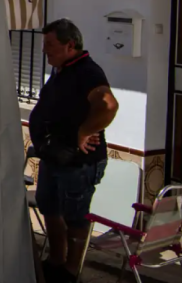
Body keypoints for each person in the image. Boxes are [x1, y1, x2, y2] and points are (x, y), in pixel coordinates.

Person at [30, 19, 119, 283]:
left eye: (50, 44)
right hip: (54, 158)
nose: (45, 49)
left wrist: (84, 131)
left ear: (70, 45)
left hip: (78, 162)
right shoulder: (62, 69)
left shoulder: (87, 71)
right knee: (50, 209)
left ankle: (71, 271)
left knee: (75, 217)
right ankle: (56, 261)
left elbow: (109, 105)